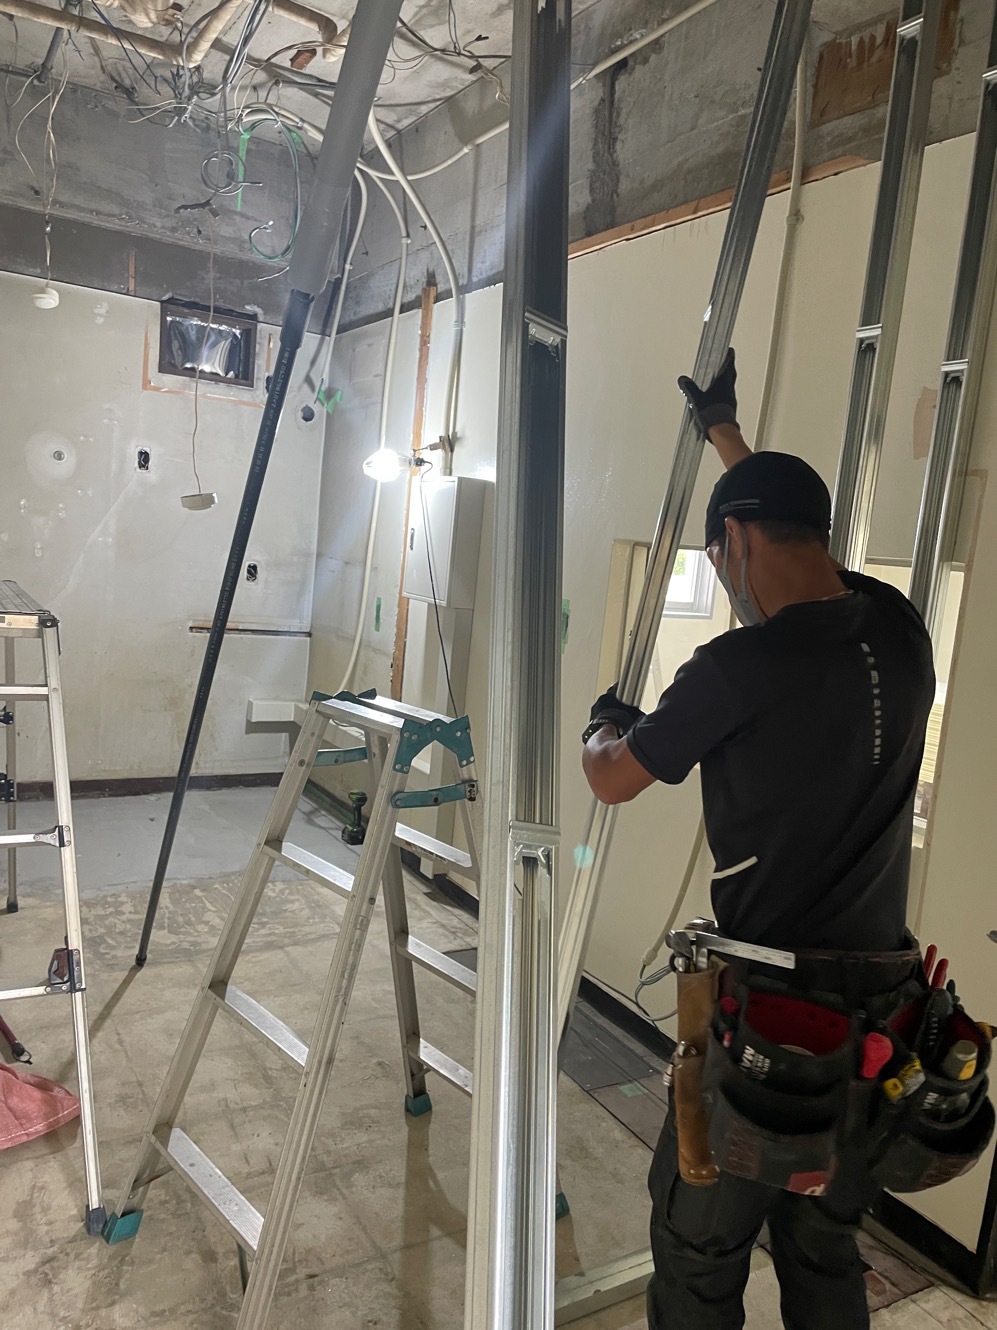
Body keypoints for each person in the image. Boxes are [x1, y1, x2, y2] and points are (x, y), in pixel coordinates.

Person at [580, 349, 935, 1330]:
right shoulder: (899, 630)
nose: (726, 582)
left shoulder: (734, 668)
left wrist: (603, 723)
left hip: (771, 1030)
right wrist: (725, 437)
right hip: (882, 1021)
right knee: (823, 1252)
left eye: (719, 556)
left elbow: (613, 778)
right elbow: (790, 524)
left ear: (733, 538)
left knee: (699, 1254)